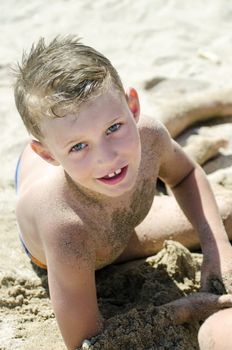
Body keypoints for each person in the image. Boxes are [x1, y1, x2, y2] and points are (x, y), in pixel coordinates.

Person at [14, 36, 232, 350]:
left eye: (114, 128)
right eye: (79, 147)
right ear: (48, 155)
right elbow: (85, 341)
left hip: (97, 161)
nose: (107, 156)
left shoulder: (145, 135)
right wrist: (183, 310)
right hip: (87, 229)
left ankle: (208, 104)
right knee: (123, 151)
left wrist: (217, 247)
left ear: (133, 106)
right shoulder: (66, 231)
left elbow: (184, 175)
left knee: (149, 145)